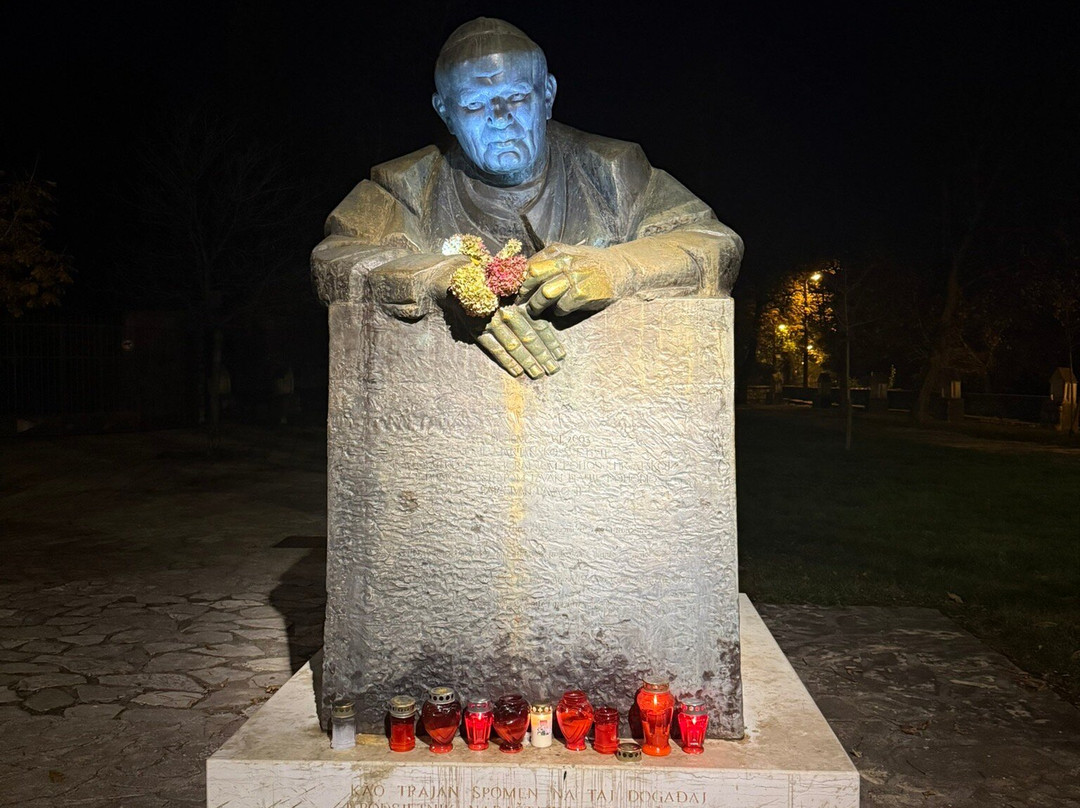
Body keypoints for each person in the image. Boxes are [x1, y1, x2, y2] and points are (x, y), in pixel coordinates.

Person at [312, 17, 742, 379]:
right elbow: (334, 258)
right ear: (445, 113)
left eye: (517, 97)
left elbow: (714, 243)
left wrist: (619, 267)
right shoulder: (406, 185)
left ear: (548, 95)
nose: (501, 120)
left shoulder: (611, 170)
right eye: (476, 105)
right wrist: (439, 278)